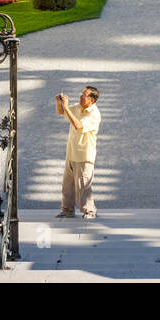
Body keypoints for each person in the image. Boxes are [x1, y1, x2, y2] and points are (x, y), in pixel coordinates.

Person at [55, 86, 100, 220]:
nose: (80, 96)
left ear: (91, 100)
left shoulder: (94, 113)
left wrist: (67, 107)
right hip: (71, 152)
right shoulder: (79, 107)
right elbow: (61, 112)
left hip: (84, 155)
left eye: (84, 95)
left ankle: (90, 211)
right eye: (81, 94)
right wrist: (60, 103)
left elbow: (78, 125)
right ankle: (67, 210)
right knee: (67, 185)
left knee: (83, 186)